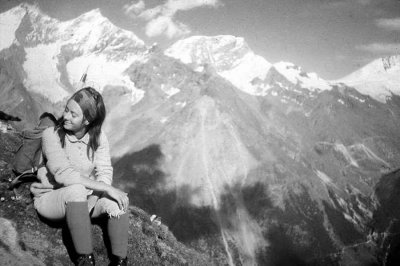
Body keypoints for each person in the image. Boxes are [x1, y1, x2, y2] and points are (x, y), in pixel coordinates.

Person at [30, 87, 129, 266]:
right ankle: (85, 259)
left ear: (87, 120)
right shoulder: (51, 135)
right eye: (66, 110)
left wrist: (95, 197)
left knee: (117, 202)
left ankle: (120, 261)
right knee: (76, 189)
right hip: (51, 198)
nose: (66, 116)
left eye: (73, 114)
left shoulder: (98, 138)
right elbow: (64, 175)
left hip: (82, 201)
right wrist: (107, 188)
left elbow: (105, 172)